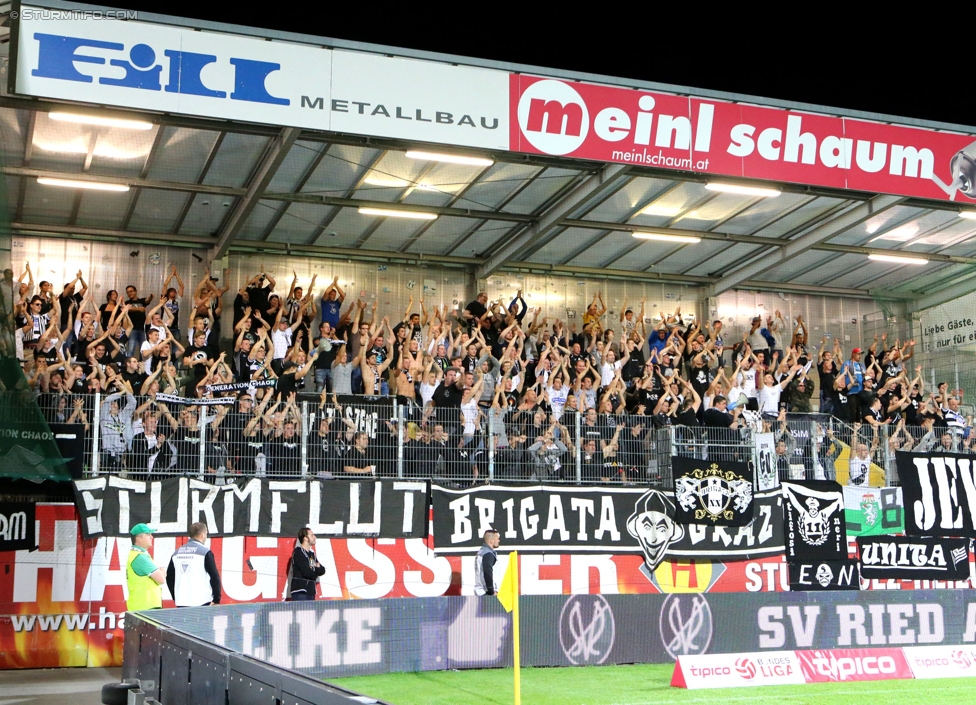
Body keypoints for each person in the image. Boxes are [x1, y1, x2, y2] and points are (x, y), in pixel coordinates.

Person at [165, 522, 222, 607]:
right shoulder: (205, 552)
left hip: (182, 601)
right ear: (202, 535)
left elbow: (169, 577)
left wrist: (176, 596)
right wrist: (216, 599)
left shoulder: (176, 553)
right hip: (202, 601)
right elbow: (215, 577)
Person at [126, 523, 165, 611]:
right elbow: (161, 579)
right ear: (138, 539)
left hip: (141, 606)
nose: (151, 537)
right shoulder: (141, 557)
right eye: (148, 534)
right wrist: (162, 571)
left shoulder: (136, 555)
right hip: (146, 607)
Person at [289, 527, 326, 600]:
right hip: (301, 592)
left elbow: (322, 570)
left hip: (310, 591)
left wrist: (315, 568)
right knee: (302, 611)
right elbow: (307, 572)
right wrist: (315, 569)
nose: (315, 537)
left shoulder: (311, 554)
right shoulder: (299, 552)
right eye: (312, 535)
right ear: (305, 538)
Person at [474, 529, 500, 596]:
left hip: (480, 591)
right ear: (491, 541)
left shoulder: (481, 552)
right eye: (497, 539)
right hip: (486, 592)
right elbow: (487, 573)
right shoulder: (488, 554)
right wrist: (491, 591)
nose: (499, 541)